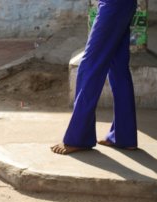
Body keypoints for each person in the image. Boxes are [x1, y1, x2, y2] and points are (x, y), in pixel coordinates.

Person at [51, 0, 138, 155]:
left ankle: (79, 138)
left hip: (114, 4)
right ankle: (124, 136)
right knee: (118, 68)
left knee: (89, 66)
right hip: (124, 4)